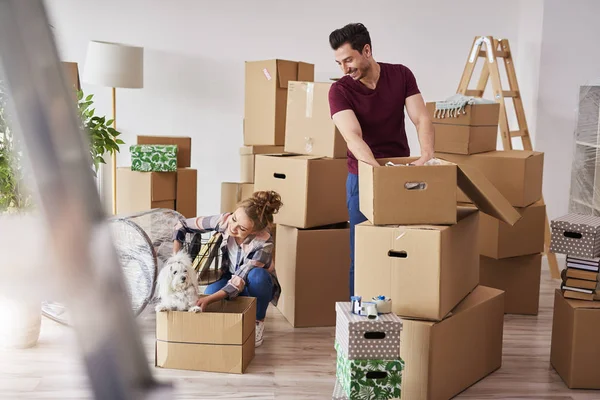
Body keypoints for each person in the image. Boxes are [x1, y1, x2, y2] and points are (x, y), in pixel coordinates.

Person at [328, 23, 435, 296]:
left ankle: (403, 314)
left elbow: (421, 117)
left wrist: (426, 156)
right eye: (339, 62)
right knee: (364, 253)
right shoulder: (339, 91)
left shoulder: (401, 75)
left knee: (403, 249)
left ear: (367, 50)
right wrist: (378, 175)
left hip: (400, 175)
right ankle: (360, 320)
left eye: (349, 60)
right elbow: (353, 138)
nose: (344, 68)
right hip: (363, 178)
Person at [172, 190, 282, 347]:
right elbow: (181, 225)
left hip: (254, 283)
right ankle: (238, 312)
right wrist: (176, 258)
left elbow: (239, 280)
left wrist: (210, 300)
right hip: (230, 276)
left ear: (255, 231)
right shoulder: (225, 221)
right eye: (234, 218)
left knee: (258, 276)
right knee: (210, 293)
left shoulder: (264, 243)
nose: (233, 227)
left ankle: (258, 320)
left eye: (242, 229)